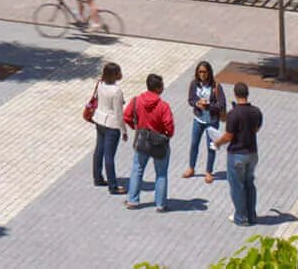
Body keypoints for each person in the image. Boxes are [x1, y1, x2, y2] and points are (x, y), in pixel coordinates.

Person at [124, 73, 175, 212]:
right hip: (159, 142)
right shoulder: (163, 106)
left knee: (137, 170)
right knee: (161, 173)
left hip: (142, 140)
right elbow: (169, 126)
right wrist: (167, 135)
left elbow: (126, 116)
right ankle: (160, 204)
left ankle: (132, 200)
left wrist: (136, 127)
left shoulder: (136, 100)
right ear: (158, 88)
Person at [215, 81, 263, 226]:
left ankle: (241, 217)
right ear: (247, 94)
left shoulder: (233, 114)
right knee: (249, 184)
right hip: (252, 153)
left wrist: (217, 142)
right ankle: (252, 214)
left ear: (235, 94)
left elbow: (229, 136)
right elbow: (256, 129)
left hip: (237, 154)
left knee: (237, 186)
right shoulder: (256, 111)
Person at [184, 60, 227, 182]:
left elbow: (221, 105)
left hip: (212, 121)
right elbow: (190, 100)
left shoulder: (216, 87)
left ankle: (209, 171)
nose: (202, 74)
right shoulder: (194, 84)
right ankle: (191, 168)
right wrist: (197, 103)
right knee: (194, 144)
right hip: (199, 119)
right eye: (200, 72)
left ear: (209, 72)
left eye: (204, 72)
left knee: (211, 146)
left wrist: (208, 106)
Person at [91, 62, 130, 194]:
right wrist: (124, 130)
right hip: (111, 125)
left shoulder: (101, 84)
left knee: (99, 150)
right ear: (115, 75)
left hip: (99, 120)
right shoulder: (117, 91)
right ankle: (113, 186)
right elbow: (119, 114)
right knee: (109, 155)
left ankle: (97, 177)